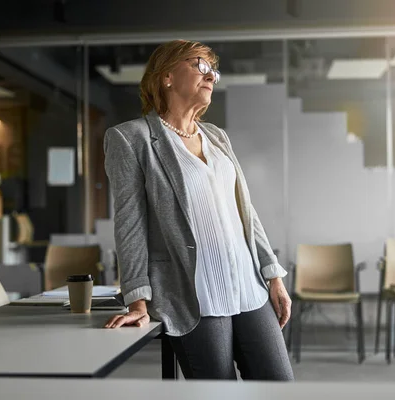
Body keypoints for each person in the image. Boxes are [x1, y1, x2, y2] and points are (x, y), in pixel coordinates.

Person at [103, 39, 294, 381]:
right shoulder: (131, 139)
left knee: (280, 386)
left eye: (213, 70)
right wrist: (137, 300)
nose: (211, 76)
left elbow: (245, 214)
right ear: (166, 77)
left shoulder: (217, 137)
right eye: (199, 66)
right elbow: (130, 224)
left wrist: (273, 274)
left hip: (250, 288)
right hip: (194, 294)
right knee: (216, 392)